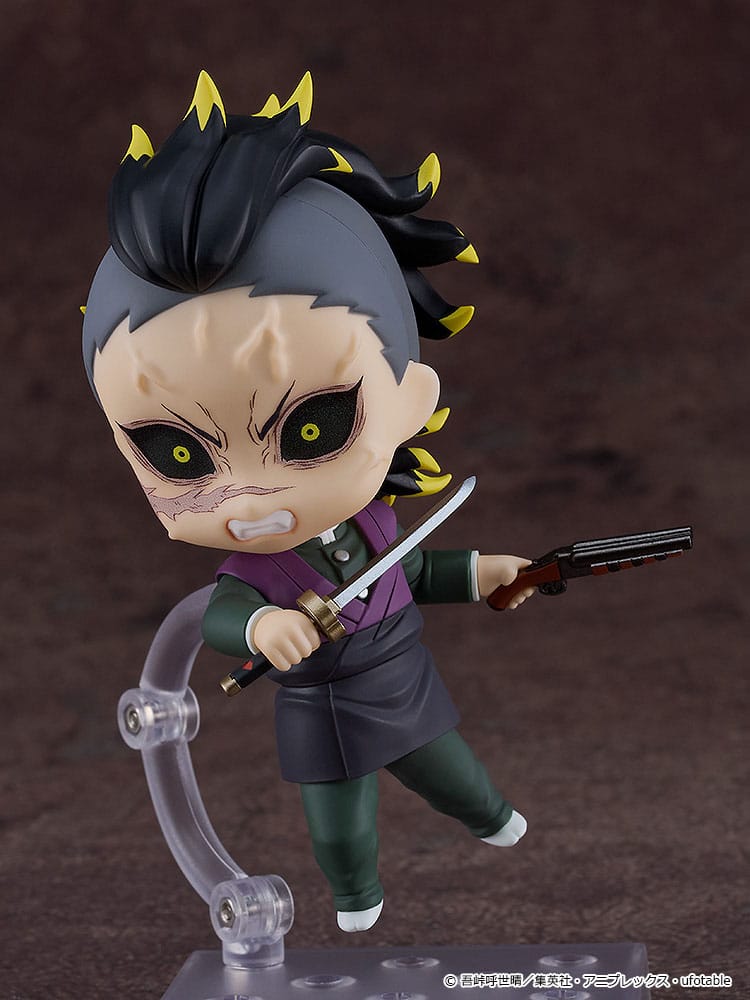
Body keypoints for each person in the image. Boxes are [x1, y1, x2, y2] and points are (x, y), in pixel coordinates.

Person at [83, 71, 535, 932]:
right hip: (319, 704)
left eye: (312, 427)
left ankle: (491, 817)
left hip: (401, 676)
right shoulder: (257, 570)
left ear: (409, 398)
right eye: (177, 453)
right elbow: (221, 614)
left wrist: (484, 572)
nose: (249, 491)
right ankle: (356, 899)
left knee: (452, 773)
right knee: (339, 824)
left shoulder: (374, 522)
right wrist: (259, 626)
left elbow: (414, 571)